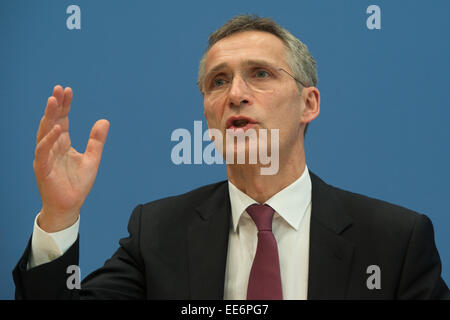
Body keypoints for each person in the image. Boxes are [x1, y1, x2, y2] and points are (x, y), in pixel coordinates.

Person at [13, 15, 449, 300]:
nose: (236, 94)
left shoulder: (395, 241)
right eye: (218, 81)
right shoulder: (158, 234)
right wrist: (58, 215)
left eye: (260, 74)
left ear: (309, 104)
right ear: (206, 110)